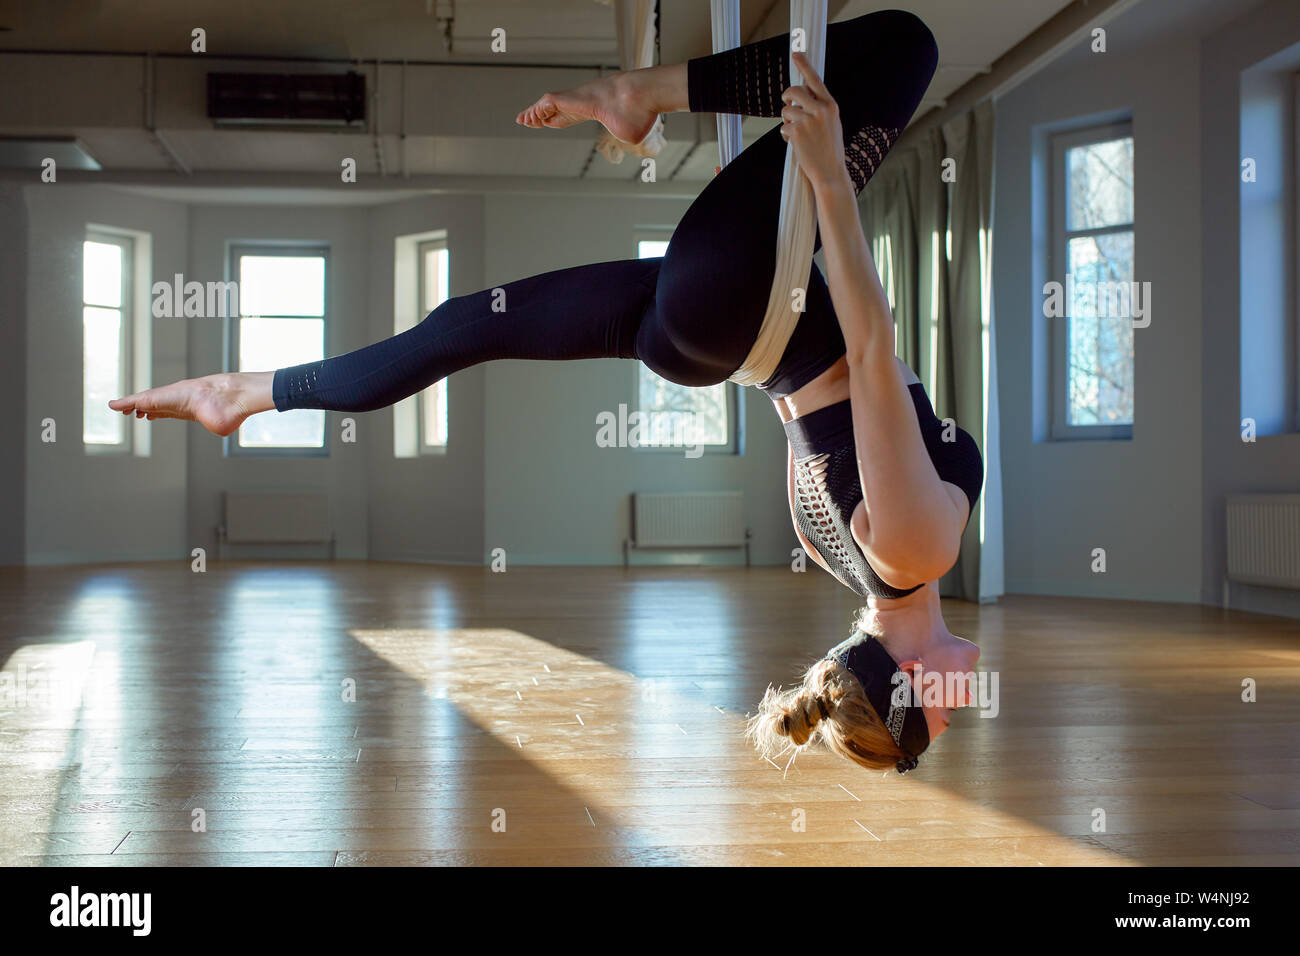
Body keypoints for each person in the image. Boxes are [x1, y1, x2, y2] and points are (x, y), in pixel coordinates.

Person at [110, 10, 982, 774]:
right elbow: (818, 402)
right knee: (472, 323)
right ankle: (246, 393)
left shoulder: (914, 552)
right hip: (711, 337)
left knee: (905, 48)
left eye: (940, 722)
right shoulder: (853, 562)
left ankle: (639, 92)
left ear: (908, 686)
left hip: (739, 303)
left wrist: (830, 179)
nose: (958, 709)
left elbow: (870, 352)